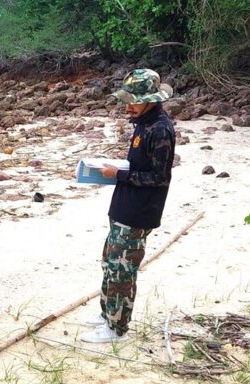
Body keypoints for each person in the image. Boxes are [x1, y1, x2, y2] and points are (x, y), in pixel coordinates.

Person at [80, 68, 176, 344]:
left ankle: (117, 329)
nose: (129, 105)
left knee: (122, 270)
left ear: (152, 100)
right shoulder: (144, 123)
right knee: (110, 263)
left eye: (134, 100)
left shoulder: (160, 129)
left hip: (139, 212)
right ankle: (107, 314)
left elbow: (159, 178)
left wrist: (119, 174)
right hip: (123, 206)